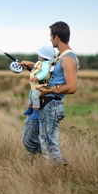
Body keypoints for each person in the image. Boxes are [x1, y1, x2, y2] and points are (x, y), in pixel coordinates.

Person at [19, 21, 79, 167]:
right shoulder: (59, 56)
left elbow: (71, 87)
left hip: (51, 106)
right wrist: (32, 66)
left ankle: (57, 172)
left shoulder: (68, 59)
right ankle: (52, 162)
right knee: (29, 141)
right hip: (41, 106)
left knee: (50, 146)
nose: (50, 39)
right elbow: (49, 73)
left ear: (57, 37)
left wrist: (49, 90)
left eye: (51, 36)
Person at [23, 45, 56, 120]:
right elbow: (36, 69)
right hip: (35, 84)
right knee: (31, 94)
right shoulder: (41, 62)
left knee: (35, 96)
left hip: (40, 85)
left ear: (43, 56)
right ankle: (30, 107)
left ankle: (35, 111)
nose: (38, 56)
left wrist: (37, 77)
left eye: (40, 55)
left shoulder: (45, 64)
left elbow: (44, 72)